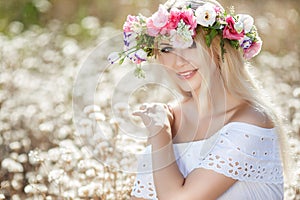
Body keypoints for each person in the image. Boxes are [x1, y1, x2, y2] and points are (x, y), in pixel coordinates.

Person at [108, 0, 287, 199]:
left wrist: (160, 133)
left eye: (190, 45)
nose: (178, 61)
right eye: (167, 49)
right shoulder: (170, 116)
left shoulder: (251, 121)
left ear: (219, 49)